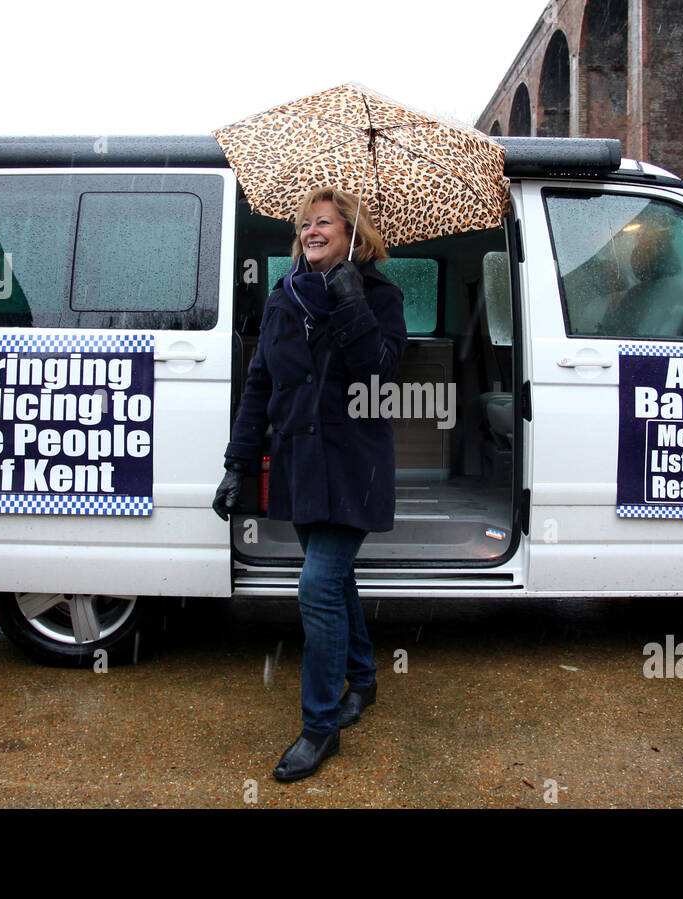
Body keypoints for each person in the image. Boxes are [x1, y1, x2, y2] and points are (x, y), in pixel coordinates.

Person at [213, 187, 407, 782]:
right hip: (298, 462)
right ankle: (366, 680)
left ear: (352, 233)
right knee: (337, 579)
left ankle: (320, 726)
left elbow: (381, 373)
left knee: (317, 586)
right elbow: (261, 386)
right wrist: (238, 462)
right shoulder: (283, 299)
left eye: (324, 223)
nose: (310, 232)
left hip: (354, 465)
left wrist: (350, 300)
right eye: (304, 226)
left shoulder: (380, 296)